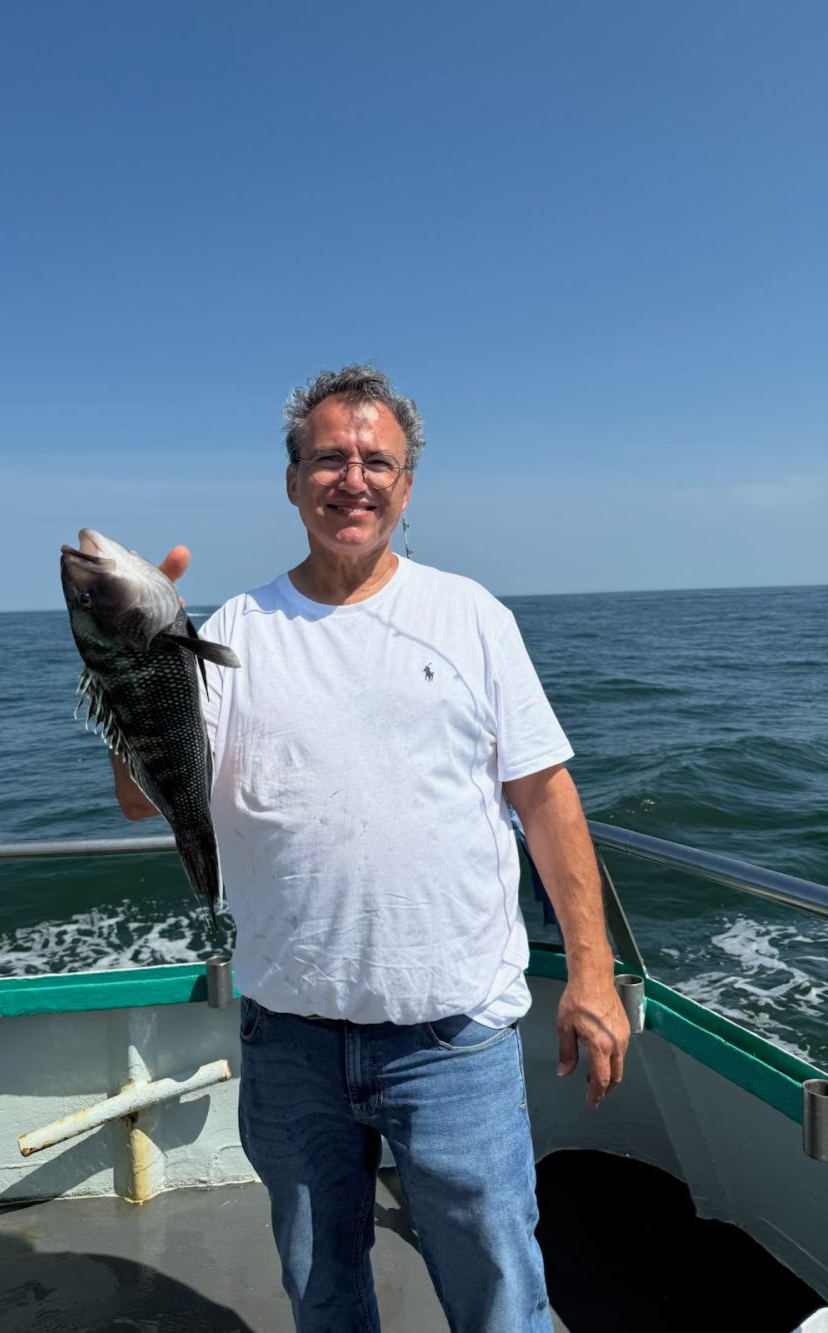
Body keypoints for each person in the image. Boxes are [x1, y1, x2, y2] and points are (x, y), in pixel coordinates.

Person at [112, 365, 630, 1333]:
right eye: (328, 458)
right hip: (288, 1038)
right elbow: (144, 796)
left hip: (452, 1039)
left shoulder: (469, 617)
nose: (352, 477)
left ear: (406, 482)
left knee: (500, 1296)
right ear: (291, 479)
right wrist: (134, 662)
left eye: (374, 460)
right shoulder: (233, 632)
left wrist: (592, 974)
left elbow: (547, 798)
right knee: (320, 1289)